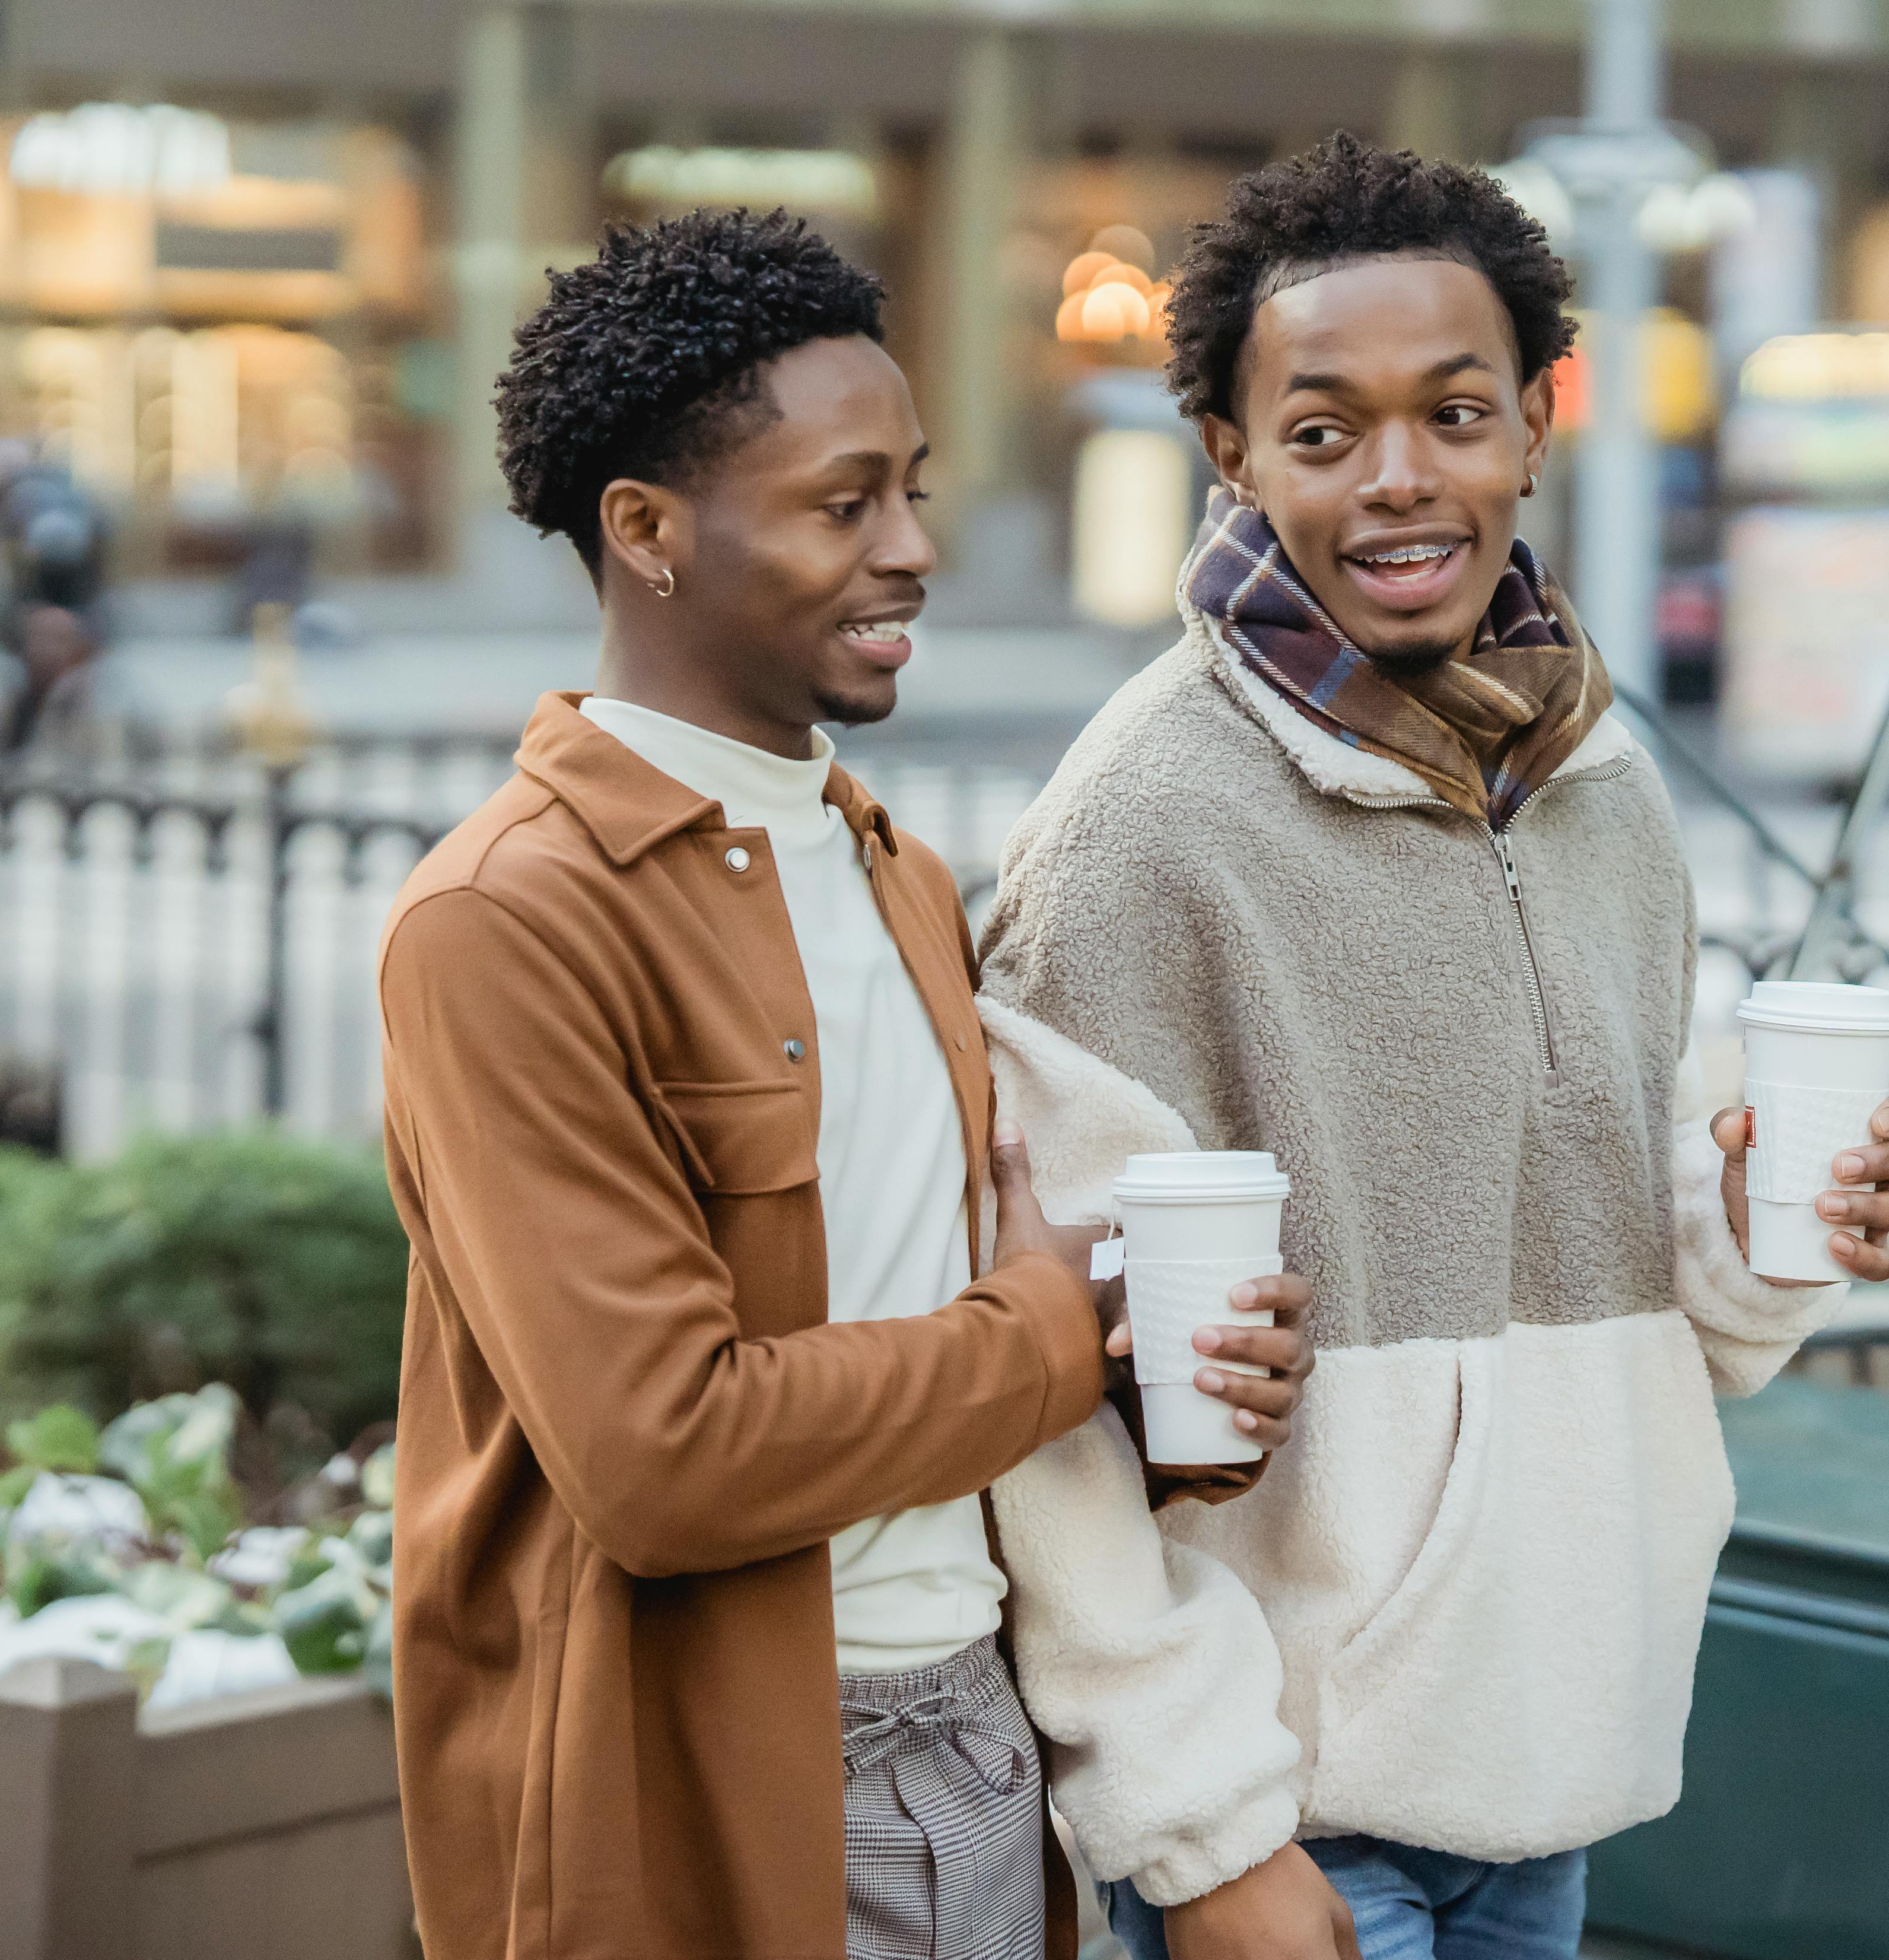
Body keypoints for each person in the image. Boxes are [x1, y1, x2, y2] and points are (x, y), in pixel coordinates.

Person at [974, 137, 1889, 1960]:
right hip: (1296, 1810)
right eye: (1322, 433)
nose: (1399, 480)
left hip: (1560, 1758)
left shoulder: (1597, 784)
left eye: (1456, 413)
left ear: (1533, 429)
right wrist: (1199, 1836)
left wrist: (1766, 1234)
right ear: (1233, 458)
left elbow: (1675, 1317)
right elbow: (1055, 1417)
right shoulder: (1139, 834)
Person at [373, 208, 1321, 1960]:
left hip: (981, 1740)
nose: (909, 553)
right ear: (645, 533)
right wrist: (1047, 1339)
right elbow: (662, 1460)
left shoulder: (886, 867)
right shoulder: (504, 919)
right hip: (717, 1775)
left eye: (914, 492)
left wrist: (1141, 1375)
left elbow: (928, 1310)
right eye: (841, 504)